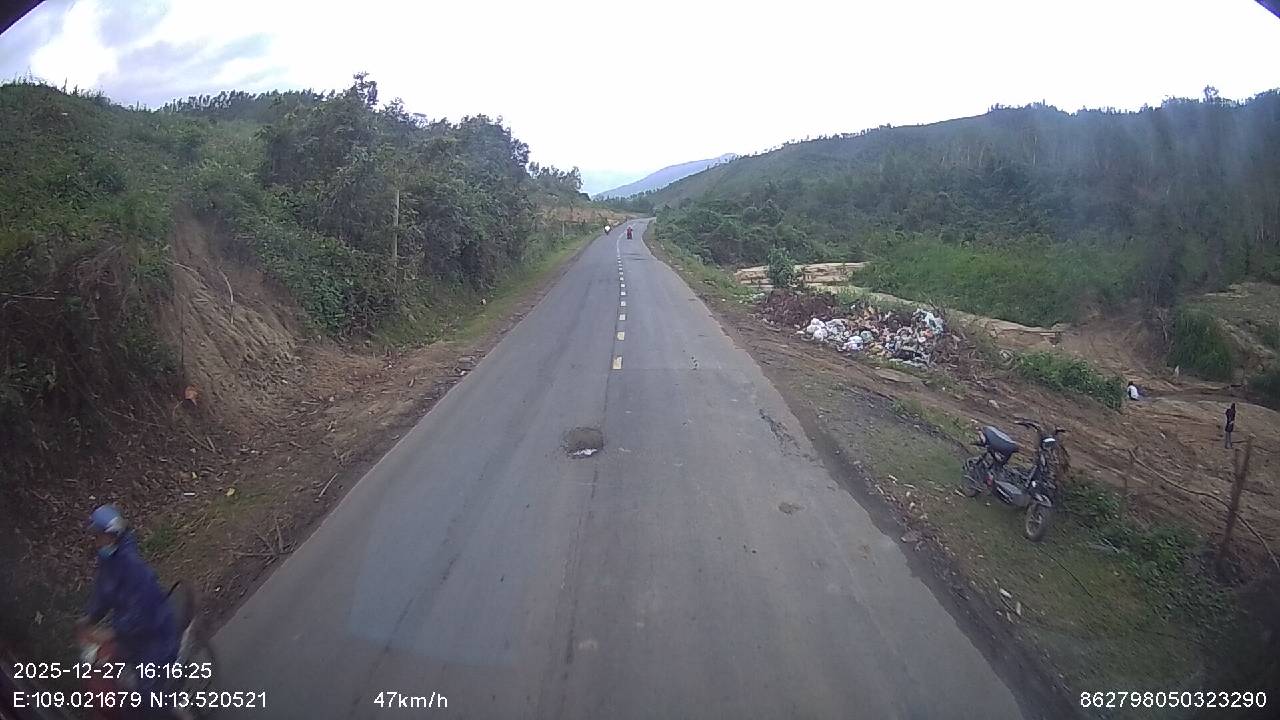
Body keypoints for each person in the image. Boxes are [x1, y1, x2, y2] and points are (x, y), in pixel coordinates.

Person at [79, 505, 180, 691]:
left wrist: (113, 633)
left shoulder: (133, 566)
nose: (96, 542)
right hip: (132, 637)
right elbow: (103, 591)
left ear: (113, 535)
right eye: (95, 537)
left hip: (154, 636)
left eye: (99, 536)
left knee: (148, 695)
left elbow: (143, 611)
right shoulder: (109, 561)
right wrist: (89, 617)